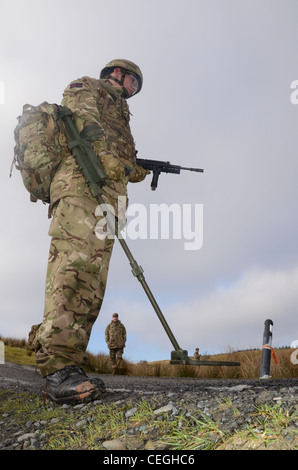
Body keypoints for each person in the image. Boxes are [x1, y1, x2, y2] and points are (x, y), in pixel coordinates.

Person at [31, 59, 149, 404]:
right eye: (132, 83)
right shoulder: (89, 87)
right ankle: (56, 370)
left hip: (107, 199)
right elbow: (82, 123)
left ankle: (70, 364)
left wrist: (132, 168)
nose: (132, 91)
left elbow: (117, 156)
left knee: (92, 283)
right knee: (73, 268)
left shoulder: (122, 115)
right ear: (118, 73)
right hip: (82, 186)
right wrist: (114, 162)